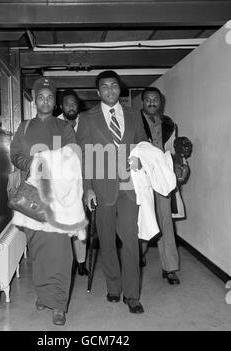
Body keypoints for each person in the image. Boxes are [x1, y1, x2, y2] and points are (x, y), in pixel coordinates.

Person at [77, 70, 147, 313]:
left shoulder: (134, 115)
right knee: (106, 241)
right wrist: (87, 189)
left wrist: (140, 159)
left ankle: (133, 295)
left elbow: (142, 146)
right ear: (98, 92)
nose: (110, 90)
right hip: (101, 187)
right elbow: (84, 157)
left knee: (130, 241)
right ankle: (114, 287)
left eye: (114, 85)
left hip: (130, 187)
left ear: (120, 88)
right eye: (104, 87)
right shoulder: (87, 118)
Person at [10, 77, 77, 326]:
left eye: (50, 97)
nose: (45, 101)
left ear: (54, 101)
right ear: (35, 100)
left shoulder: (64, 128)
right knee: (37, 249)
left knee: (60, 252)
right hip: (31, 196)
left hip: (59, 196)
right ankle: (43, 294)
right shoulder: (24, 126)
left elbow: (74, 155)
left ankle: (59, 304)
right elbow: (15, 153)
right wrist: (31, 164)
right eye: (41, 97)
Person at [140, 86, 180, 285]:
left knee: (165, 221)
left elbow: (172, 152)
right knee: (140, 219)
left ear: (160, 102)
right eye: (148, 99)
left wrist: (181, 166)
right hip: (140, 177)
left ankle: (170, 267)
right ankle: (139, 256)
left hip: (161, 177)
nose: (152, 102)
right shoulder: (133, 121)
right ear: (143, 101)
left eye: (155, 99)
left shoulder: (169, 124)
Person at [58, 89, 89, 276]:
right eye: (67, 103)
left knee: (81, 222)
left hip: (84, 181)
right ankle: (64, 262)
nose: (71, 106)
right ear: (61, 106)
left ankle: (81, 261)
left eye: (74, 103)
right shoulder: (54, 124)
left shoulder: (86, 122)